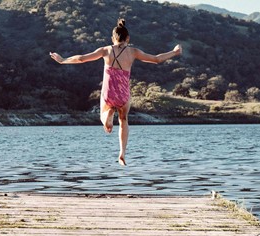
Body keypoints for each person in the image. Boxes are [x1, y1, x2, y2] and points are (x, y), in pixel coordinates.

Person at [50, 19, 182, 166]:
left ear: (112, 38)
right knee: (124, 120)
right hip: (123, 94)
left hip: (109, 92)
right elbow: (157, 59)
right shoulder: (133, 52)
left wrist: (63, 60)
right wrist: (175, 52)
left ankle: (107, 116)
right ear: (128, 38)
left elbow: (81, 59)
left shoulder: (106, 50)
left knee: (104, 115)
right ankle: (122, 153)